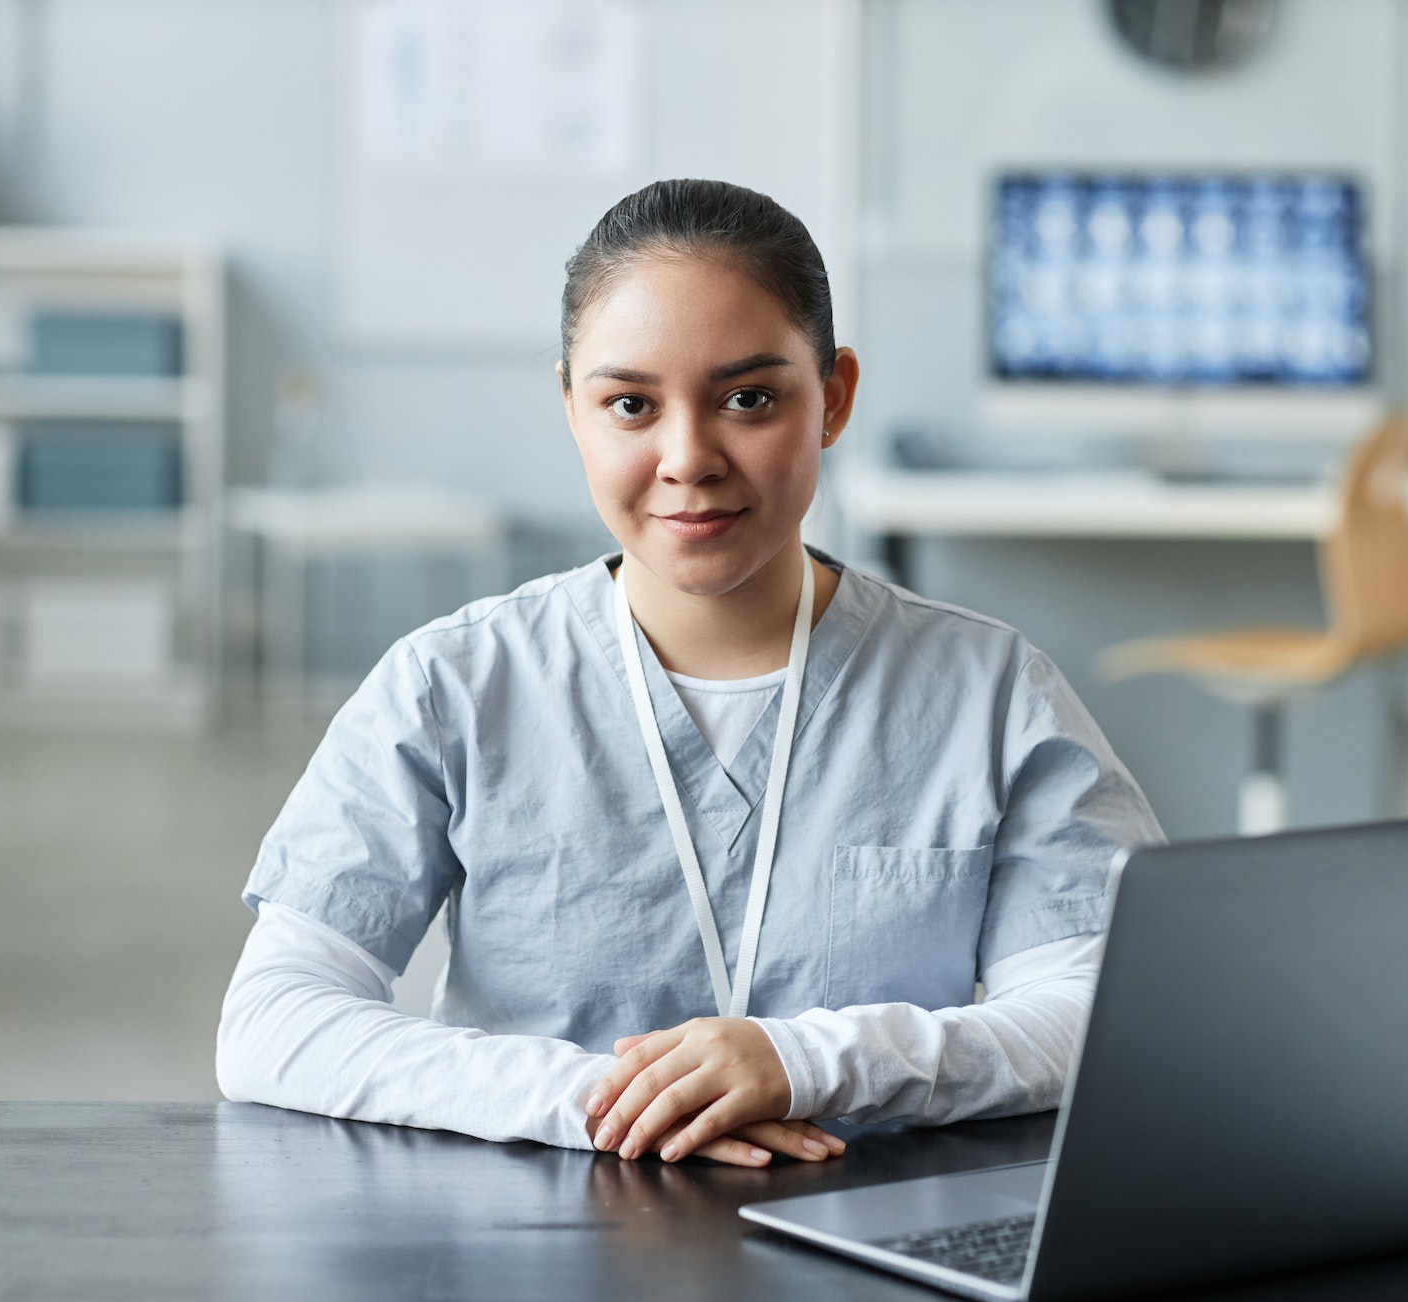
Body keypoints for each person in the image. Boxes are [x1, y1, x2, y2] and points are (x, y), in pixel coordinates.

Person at [216, 179, 1163, 1169]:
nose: (687, 458)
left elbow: (1092, 1011)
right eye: (630, 404)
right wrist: (612, 1100)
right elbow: (275, 1019)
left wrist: (810, 1060)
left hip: (875, 1245)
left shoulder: (989, 692)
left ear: (832, 396)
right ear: (571, 408)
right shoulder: (453, 685)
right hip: (532, 1252)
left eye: (747, 398)